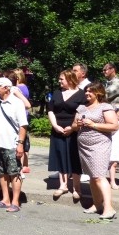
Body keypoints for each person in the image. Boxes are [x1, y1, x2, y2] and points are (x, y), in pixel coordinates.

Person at [73, 83, 119, 219]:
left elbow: (114, 125)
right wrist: (78, 124)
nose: (87, 93)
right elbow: (73, 126)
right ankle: (97, 204)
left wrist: (93, 124)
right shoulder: (81, 108)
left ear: (98, 93)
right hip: (83, 146)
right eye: (86, 91)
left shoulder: (105, 107)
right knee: (92, 176)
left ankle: (109, 208)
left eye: (90, 91)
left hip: (100, 145)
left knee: (99, 175)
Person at [0, 77, 28, 212]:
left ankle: (15, 202)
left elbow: (23, 125)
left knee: (14, 172)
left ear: (6, 88)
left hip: (12, 143)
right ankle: (5, 199)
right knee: (2, 172)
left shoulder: (17, 103)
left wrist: (20, 144)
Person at [47, 69, 86, 201]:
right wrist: (55, 126)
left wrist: (73, 127)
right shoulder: (57, 93)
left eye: (61, 79)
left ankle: (77, 188)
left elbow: (81, 112)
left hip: (74, 129)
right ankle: (63, 185)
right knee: (60, 155)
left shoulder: (81, 94)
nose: (59, 81)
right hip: (58, 129)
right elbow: (50, 110)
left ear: (70, 80)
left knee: (74, 158)